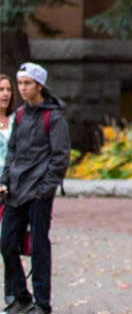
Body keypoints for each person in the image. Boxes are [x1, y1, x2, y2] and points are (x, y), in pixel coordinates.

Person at [0, 63, 70, 314]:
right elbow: (13, 154)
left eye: (27, 83)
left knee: (39, 248)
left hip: (39, 194)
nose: (21, 88)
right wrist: (5, 181)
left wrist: (44, 189)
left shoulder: (53, 116)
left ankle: (42, 304)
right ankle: (21, 297)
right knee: (6, 243)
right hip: (16, 192)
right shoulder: (19, 115)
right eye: (19, 83)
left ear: (39, 85)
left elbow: (60, 158)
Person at [0, 75, 18, 167]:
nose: (6, 93)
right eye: (1, 89)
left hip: (13, 178)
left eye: (9, 89)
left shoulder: (17, 119)